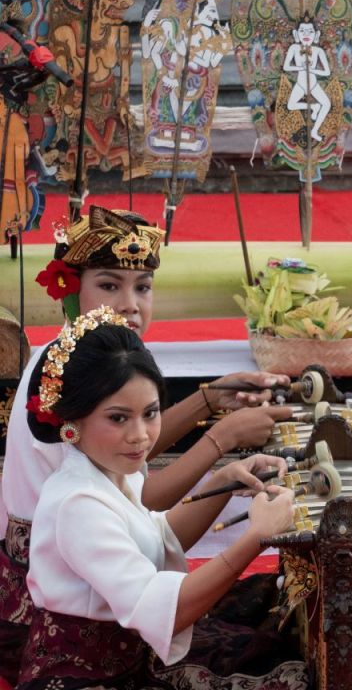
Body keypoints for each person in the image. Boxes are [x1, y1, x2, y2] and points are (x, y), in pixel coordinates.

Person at [0, 206, 292, 683]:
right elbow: (139, 493)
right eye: (109, 285)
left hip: (99, 585)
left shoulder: (91, 363)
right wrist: (223, 437)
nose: (130, 304)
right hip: (47, 620)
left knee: (269, 608)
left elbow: (136, 493)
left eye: (142, 287)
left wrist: (209, 408)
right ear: (71, 289)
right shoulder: (66, 382)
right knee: (271, 652)